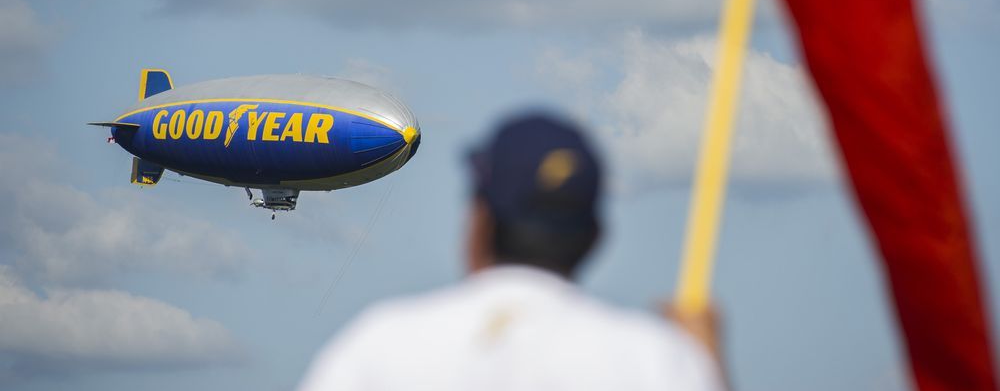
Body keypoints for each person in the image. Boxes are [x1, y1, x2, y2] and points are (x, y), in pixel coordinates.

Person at [298, 112, 727, 391]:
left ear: (477, 223)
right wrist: (706, 367)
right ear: (596, 237)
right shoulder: (655, 360)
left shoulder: (380, 343)